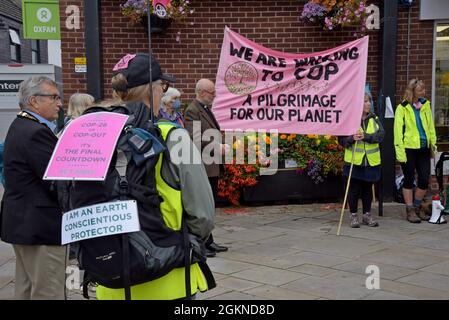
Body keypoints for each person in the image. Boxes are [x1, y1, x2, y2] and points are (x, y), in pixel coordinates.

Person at [95, 52, 215, 300]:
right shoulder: (173, 135)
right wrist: (189, 241)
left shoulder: (95, 133)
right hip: (168, 271)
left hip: (111, 274)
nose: (164, 92)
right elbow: (202, 211)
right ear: (152, 90)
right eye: (163, 86)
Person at [0, 76, 67, 299]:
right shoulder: (36, 132)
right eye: (54, 97)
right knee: (49, 292)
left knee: (27, 289)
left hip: (24, 225)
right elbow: (56, 180)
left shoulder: (21, 125)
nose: (59, 103)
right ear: (34, 101)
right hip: (41, 228)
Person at [184, 79, 229, 257]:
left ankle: (208, 241)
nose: (214, 95)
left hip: (211, 165)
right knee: (202, 207)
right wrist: (216, 146)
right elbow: (194, 138)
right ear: (201, 92)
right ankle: (201, 243)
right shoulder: (192, 111)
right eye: (211, 92)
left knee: (210, 205)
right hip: (203, 166)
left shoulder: (204, 109)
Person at [338, 90, 384, 228]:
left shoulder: (374, 119)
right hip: (354, 161)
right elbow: (341, 140)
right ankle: (353, 216)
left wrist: (367, 136)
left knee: (367, 189)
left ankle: (367, 215)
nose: (368, 103)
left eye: (369, 101)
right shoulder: (349, 120)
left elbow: (381, 136)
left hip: (370, 161)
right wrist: (352, 138)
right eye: (365, 101)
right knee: (353, 189)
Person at [394, 79, 436, 223]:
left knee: (424, 179)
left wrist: (433, 144)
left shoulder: (426, 105)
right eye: (420, 90)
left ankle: (417, 207)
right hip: (409, 149)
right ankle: (410, 210)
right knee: (409, 179)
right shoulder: (402, 108)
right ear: (412, 91)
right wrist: (400, 153)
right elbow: (397, 132)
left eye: (423, 90)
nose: (423, 92)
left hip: (424, 148)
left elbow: (431, 127)